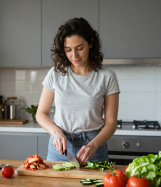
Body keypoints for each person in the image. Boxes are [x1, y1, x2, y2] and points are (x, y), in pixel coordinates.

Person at [36, 17, 120, 166]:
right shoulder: (55, 73)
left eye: (79, 48)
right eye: (68, 50)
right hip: (60, 148)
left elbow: (111, 123)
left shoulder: (107, 77)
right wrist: (56, 133)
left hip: (93, 147)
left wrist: (93, 145)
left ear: (91, 43)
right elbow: (41, 113)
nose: (74, 56)